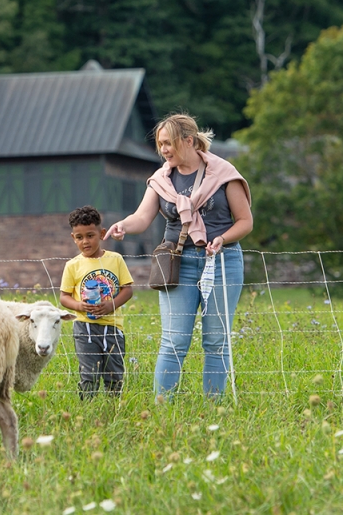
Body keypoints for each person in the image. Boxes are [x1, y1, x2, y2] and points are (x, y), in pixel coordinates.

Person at [104, 114, 253, 400]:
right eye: (160, 144)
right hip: (177, 263)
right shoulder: (161, 179)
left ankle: (215, 407)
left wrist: (223, 238)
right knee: (173, 341)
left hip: (222, 262)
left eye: (168, 143)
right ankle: (163, 408)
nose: (164, 150)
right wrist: (124, 225)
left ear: (189, 140)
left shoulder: (224, 173)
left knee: (216, 340)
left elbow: (245, 221)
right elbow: (142, 217)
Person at [60, 205, 134, 399]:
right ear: (73, 238)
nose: (85, 241)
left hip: (112, 327)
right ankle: (87, 410)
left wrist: (111, 305)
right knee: (88, 374)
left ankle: (113, 408)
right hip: (84, 327)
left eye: (90, 235)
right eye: (79, 237)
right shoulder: (72, 265)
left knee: (114, 374)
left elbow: (128, 289)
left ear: (102, 234)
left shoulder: (115, 259)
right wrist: (78, 306)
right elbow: (64, 297)